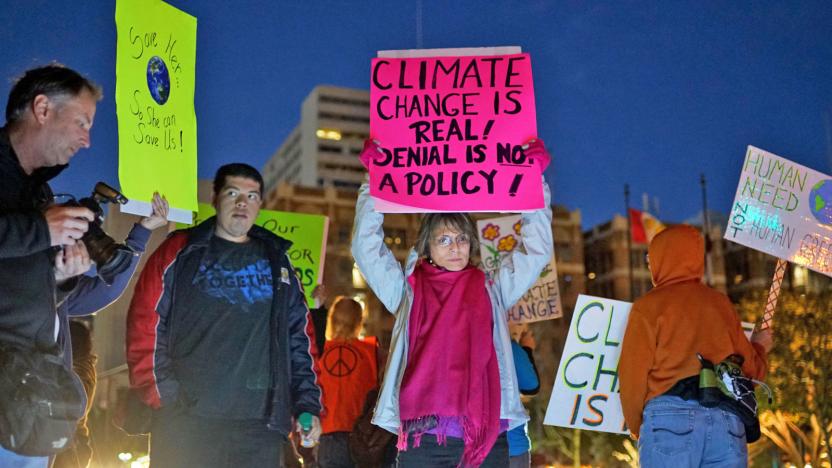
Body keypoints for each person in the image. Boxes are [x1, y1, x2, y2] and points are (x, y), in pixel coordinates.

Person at [351, 139, 553, 467]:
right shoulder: (407, 292)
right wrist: (371, 181)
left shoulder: (492, 288)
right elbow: (366, 247)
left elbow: (536, 249)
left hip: (488, 437)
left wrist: (535, 185)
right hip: (426, 440)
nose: (455, 247)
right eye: (443, 239)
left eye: (461, 238)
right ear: (427, 247)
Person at [125, 163, 323, 467]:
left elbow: (300, 338)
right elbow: (145, 322)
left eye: (252, 196)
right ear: (216, 198)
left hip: (261, 426)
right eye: (233, 193)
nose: (242, 203)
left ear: (260, 205)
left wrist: (307, 404)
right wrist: (163, 398)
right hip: (187, 423)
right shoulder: (179, 251)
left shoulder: (278, 262)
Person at [0, 64, 101, 467]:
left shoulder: (38, 191)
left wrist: (59, 278)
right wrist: (41, 230)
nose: (87, 140)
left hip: (28, 397)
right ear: (42, 108)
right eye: (81, 121)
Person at [619, 225, 773, 467]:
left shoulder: (647, 308)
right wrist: (761, 348)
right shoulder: (720, 304)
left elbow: (631, 375)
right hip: (727, 420)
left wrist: (636, 424)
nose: (649, 265)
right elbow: (750, 370)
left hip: (669, 418)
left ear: (662, 259)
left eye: (651, 258)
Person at [53, 194, 169, 468]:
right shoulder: (18, 273)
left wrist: (143, 231)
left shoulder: (57, 284)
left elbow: (108, 289)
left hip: (51, 426)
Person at [317, 296, 379, 468]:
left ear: (331, 320)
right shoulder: (371, 353)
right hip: (362, 438)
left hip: (327, 435)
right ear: (359, 322)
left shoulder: (319, 352)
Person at [507, 324, 540, 468]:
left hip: (469, 441)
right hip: (511, 442)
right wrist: (526, 349)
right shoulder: (508, 346)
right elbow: (531, 387)